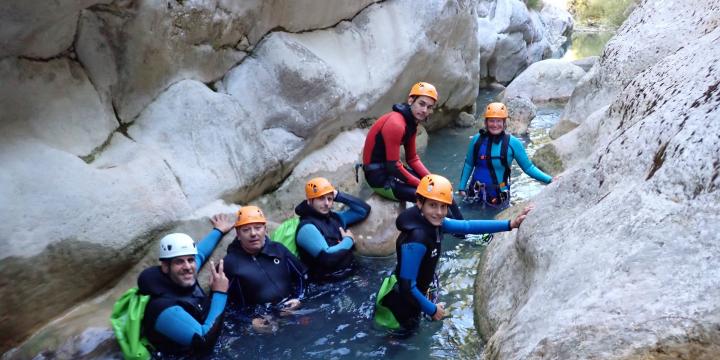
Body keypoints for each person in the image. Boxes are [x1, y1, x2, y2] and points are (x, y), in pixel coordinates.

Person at [374, 174, 531, 333]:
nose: (439, 212)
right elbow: (408, 286)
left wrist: (510, 224)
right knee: (400, 339)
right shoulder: (417, 238)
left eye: (443, 206)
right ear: (420, 203)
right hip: (401, 306)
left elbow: (467, 226)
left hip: (411, 296)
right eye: (433, 205)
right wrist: (433, 309)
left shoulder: (434, 222)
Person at [361, 81, 464, 220]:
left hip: (390, 172)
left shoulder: (411, 123)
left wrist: (432, 180)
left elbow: (412, 158)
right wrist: (422, 185)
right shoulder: (396, 123)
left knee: (442, 191)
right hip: (379, 178)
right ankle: (458, 231)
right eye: (421, 104)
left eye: (429, 107)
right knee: (432, 198)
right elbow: (393, 166)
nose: (424, 110)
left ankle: (464, 229)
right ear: (411, 100)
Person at [136, 214, 234, 356]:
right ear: (165, 267)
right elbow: (204, 342)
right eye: (179, 261)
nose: (188, 266)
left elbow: (200, 253)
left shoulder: (183, 275)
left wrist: (218, 231)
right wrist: (220, 293)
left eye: (190, 260)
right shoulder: (163, 308)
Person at [223, 205, 307, 330]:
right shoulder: (230, 264)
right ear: (238, 234)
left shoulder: (278, 249)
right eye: (246, 230)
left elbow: (302, 277)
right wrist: (250, 321)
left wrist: (298, 299)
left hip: (293, 310)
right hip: (262, 323)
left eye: (258, 228)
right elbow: (223, 306)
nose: (253, 234)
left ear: (265, 229)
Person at [457, 102, 554, 209]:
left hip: (498, 197)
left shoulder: (513, 143)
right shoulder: (477, 139)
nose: (495, 125)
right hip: (474, 194)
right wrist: (461, 188)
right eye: (491, 121)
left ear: (504, 123)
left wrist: (550, 180)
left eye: (499, 121)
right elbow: (469, 164)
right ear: (486, 122)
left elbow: (528, 168)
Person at [294, 177, 371, 281]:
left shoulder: (335, 218)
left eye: (329, 199)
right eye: (321, 198)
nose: (326, 203)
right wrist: (349, 240)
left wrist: (338, 195)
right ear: (309, 201)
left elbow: (363, 210)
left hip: (350, 273)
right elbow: (328, 257)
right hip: (328, 284)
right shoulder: (307, 228)